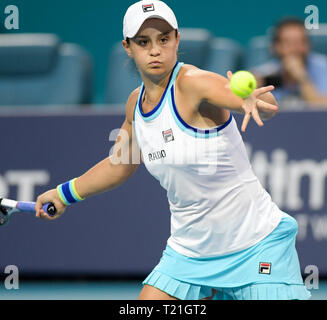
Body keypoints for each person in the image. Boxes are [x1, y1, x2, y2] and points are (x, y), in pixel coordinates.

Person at [35, 1, 311, 300]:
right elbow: (120, 164)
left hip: (255, 242)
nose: (155, 50)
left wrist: (251, 102)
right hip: (190, 252)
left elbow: (241, 98)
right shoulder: (134, 106)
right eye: (144, 42)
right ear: (128, 47)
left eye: (163, 39)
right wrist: (64, 193)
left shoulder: (193, 83)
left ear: (177, 40)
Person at [253, 17, 327, 108]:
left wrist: (302, 78)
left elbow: (322, 109)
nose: (296, 49)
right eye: (289, 43)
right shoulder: (264, 74)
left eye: (301, 42)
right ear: (276, 47)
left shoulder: (324, 67)